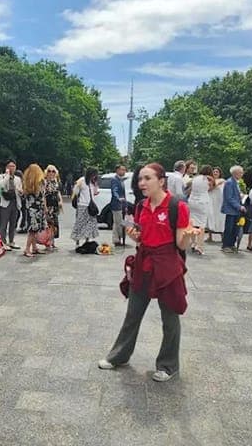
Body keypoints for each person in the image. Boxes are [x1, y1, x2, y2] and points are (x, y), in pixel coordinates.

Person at [98, 163, 201, 383]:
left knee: (170, 317)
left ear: (161, 180)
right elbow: (142, 236)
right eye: (140, 179)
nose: (141, 183)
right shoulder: (141, 206)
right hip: (144, 262)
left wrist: (189, 237)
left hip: (167, 266)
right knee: (133, 313)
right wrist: (135, 236)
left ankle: (168, 365)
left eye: (147, 178)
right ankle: (119, 356)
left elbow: (180, 245)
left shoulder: (176, 206)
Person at [22, 164, 48, 257]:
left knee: (33, 230)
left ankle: (34, 247)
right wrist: (45, 207)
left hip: (30, 209)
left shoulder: (27, 183)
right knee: (33, 231)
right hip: (38, 209)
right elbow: (42, 196)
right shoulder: (40, 182)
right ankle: (27, 249)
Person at [186, 166, 213, 254]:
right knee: (202, 225)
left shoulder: (195, 178)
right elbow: (212, 187)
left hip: (192, 201)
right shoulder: (209, 179)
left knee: (193, 223)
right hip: (202, 202)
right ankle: (199, 246)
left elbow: (189, 188)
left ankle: (193, 243)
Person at [0, 160, 22, 250]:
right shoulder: (2, 177)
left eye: (13, 166)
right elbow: (1, 186)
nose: (11, 168)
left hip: (15, 202)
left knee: (13, 223)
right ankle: (3, 242)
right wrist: (7, 176)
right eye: (9, 166)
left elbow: (20, 190)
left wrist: (20, 192)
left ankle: (11, 241)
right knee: (3, 224)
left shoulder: (17, 179)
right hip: (5, 202)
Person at [71, 168, 100, 247]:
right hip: (82, 205)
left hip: (91, 206)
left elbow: (95, 193)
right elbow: (75, 191)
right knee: (80, 223)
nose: (94, 176)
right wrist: (77, 187)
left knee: (90, 224)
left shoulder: (93, 182)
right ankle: (77, 241)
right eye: (93, 174)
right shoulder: (82, 180)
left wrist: (96, 186)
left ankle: (87, 240)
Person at [221, 165, 245, 253]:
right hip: (231, 210)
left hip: (236, 210)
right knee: (229, 228)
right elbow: (229, 198)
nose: (242, 174)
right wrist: (239, 206)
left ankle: (231, 244)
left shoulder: (236, 182)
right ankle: (226, 245)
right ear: (235, 173)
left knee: (235, 228)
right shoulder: (229, 182)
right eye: (240, 172)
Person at [43, 165, 63, 250]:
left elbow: (58, 192)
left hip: (55, 205)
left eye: (53, 171)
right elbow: (43, 195)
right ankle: (47, 242)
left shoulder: (56, 182)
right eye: (49, 171)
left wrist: (61, 201)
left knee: (55, 224)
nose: (51, 173)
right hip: (48, 204)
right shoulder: (44, 182)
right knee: (49, 224)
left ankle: (52, 241)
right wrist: (45, 207)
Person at [205, 167, 225, 242]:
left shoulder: (222, 180)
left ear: (220, 173)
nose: (215, 173)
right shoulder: (209, 180)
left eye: (217, 172)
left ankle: (222, 236)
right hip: (211, 199)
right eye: (214, 172)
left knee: (220, 217)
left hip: (219, 201)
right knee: (211, 216)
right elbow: (208, 189)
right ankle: (210, 236)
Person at [111, 165, 128, 246]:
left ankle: (116, 239)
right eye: (122, 170)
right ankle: (118, 239)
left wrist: (125, 205)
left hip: (122, 205)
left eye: (125, 170)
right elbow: (114, 191)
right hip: (116, 204)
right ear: (117, 170)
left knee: (117, 222)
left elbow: (124, 194)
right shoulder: (115, 180)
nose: (124, 171)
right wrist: (118, 198)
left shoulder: (121, 180)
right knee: (118, 222)